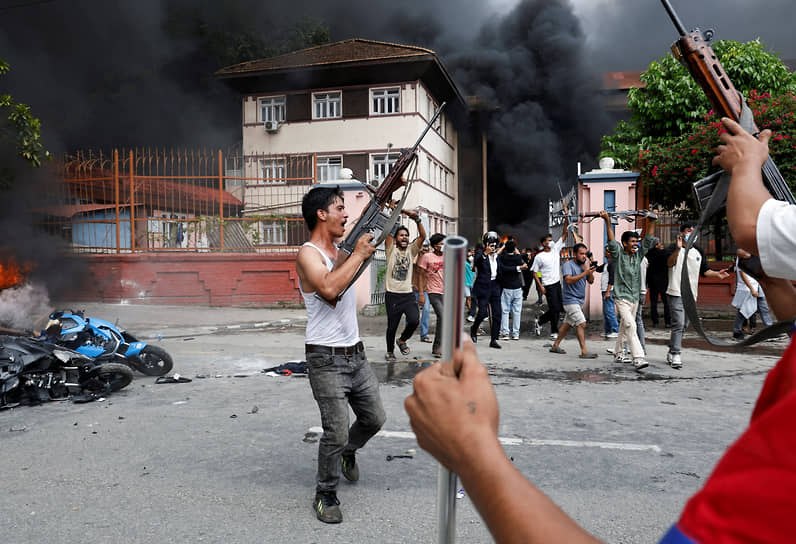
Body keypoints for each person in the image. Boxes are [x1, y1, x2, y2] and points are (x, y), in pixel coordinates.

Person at [295, 186, 386, 524]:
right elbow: (331, 289)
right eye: (339, 208)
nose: (345, 214)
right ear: (321, 214)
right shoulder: (309, 254)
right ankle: (325, 494)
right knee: (335, 431)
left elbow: (364, 229)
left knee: (374, 419)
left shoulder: (341, 249)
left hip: (355, 355)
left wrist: (384, 202)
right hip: (325, 358)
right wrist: (359, 255)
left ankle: (349, 452)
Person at [665, 222, 730, 369]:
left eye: (695, 231)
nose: (692, 234)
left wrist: (717, 274)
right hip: (675, 291)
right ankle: (676, 353)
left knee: (685, 324)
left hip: (691, 295)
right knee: (679, 324)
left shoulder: (699, 251)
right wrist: (678, 249)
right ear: (681, 233)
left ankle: (671, 350)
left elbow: (705, 271)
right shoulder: (673, 248)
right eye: (689, 231)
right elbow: (669, 263)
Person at [599, 210, 655, 370]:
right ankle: (638, 357)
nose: (636, 244)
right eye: (632, 241)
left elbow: (649, 239)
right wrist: (607, 221)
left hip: (634, 297)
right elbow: (611, 240)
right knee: (631, 325)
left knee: (625, 326)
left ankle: (618, 353)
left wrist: (652, 220)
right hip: (621, 298)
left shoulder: (639, 256)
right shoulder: (618, 255)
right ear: (624, 243)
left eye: (637, 242)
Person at [383, 210, 426, 361]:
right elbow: (388, 230)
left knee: (414, 320)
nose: (404, 237)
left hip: (407, 295)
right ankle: (390, 351)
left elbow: (423, 237)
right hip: (392, 295)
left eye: (406, 235)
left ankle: (402, 340)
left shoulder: (411, 250)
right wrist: (393, 211)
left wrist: (417, 219)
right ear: (395, 238)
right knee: (392, 326)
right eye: (401, 235)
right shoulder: (390, 249)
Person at [549, 243, 598, 358]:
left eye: (585, 254)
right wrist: (584, 273)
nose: (584, 256)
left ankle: (555, 346)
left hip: (579, 301)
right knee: (581, 323)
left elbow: (591, 281)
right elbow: (569, 280)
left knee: (567, 325)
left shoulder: (584, 265)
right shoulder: (568, 265)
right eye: (581, 254)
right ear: (575, 254)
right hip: (570, 300)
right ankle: (584, 351)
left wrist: (589, 271)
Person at [531, 209, 569, 339]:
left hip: (557, 283)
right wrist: (541, 286)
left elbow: (564, 234)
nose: (551, 242)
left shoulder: (555, 250)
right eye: (548, 240)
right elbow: (534, 272)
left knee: (558, 308)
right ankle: (554, 331)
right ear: (543, 243)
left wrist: (566, 218)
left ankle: (540, 321)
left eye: (551, 240)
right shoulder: (539, 257)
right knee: (554, 309)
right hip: (547, 285)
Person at [470, 231, 504, 349]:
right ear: (486, 244)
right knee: (482, 313)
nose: (493, 246)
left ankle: (494, 339)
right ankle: (474, 329)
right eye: (490, 244)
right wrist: (485, 253)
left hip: (495, 287)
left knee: (497, 314)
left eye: (495, 244)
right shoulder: (480, 253)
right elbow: (477, 262)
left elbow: (502, 269)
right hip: (483, 287)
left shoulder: (498, 256)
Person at [732, 249, 773, 340]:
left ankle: (770, 330)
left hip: (758, 284)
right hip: (748, 286)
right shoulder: (743, 253)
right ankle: (737, 331)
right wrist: (751, 289)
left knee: (764, 308)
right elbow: (743, 273)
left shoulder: (755, 252)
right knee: (744, 310)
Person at [417, 233, 446, 358]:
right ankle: (437, 347)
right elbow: (420, 275)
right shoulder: (427, 257)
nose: (444, 246)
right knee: (442, 316)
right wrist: (421, 294)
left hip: (446, 292)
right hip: (433, 291)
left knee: (445, 319)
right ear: (435, 245)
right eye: (442, 243)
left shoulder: (448, 256)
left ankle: (441, 345)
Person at [498, 239, 527, 341]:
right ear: (514, 248)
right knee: (517, 311)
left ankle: (505, 333)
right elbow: (519, 255)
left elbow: (496, 255)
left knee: (505, 311)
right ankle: (516, 334)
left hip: (506, 287)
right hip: (517, 287)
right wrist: (515, 249)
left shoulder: (502, 258)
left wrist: (503, 247)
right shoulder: (518, 258)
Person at [646, 237, 671, 328]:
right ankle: (668, 322)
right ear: (656, 245)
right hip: (663, 281)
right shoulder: (664, 253)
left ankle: (655, 322)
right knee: (666, 302)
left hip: (652, 281)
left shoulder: (647, 254)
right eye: (659, 243)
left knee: (653, 302)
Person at [412, 241, 432, 344]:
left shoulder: (429, 258)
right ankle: (409, 331)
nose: (425, 249)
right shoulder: (414, 255)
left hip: (424, 289)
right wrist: (418, 252)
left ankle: (424, 334)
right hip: (412, 288)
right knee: (411, 313)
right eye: (423, 246)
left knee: (426, 309)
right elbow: (414, 263)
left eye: (427, 247)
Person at [601, 246, 619, 338]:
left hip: (609, 291)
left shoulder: (612, 264)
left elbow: (612, 279)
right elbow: (597, 269)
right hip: (604, 290)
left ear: (609, 253)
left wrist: (608, 291)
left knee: (609, 311)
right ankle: (608, 330)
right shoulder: (606, 264)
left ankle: (615, 330)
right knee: (606, 311)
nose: (604, 252)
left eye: (606, 251)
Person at [464, 247, 475, 319]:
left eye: (471, 255)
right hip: (465, 283)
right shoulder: (463, 263)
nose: (470, 257)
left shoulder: (474, 262)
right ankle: (471, 312)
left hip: (473, 283)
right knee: (468, 297)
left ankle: (471, 311)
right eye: (468, 256)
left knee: (473, 298)